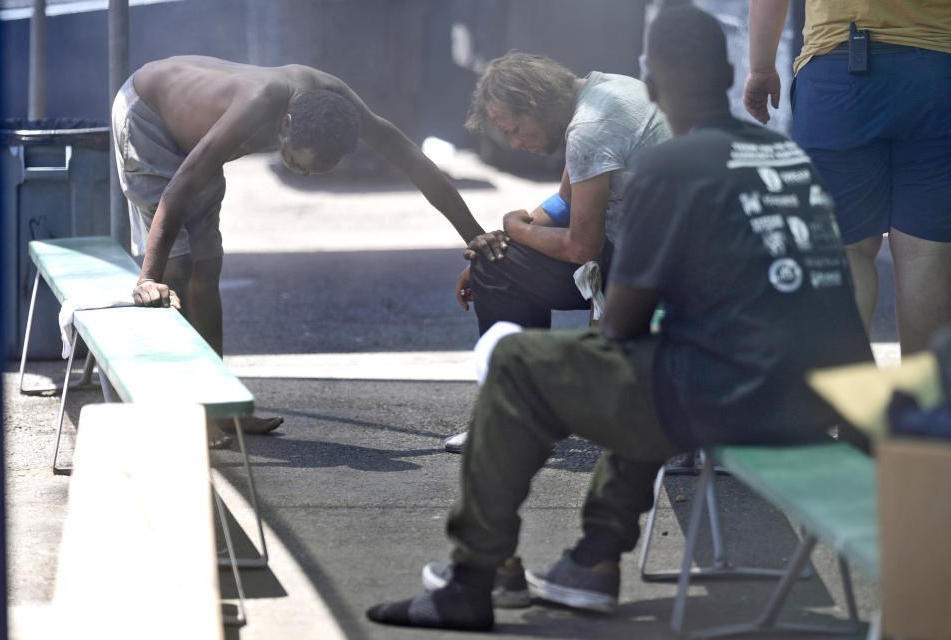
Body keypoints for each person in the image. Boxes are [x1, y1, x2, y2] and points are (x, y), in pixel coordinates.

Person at [366, 6, 873, 631]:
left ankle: (475, 577)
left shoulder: (666, 169)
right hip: (819, 407)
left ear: (655, 86)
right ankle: (592, 562)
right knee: (656, 372)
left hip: (733, 402)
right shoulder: (788, 159)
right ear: (727, 73)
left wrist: (555, 396)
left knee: (522, 362)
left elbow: (621, 325)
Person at [111, 55, 486, 437]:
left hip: (197, 145)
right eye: (295, 162)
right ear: (285, 126)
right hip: (150, 118)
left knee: (207, 269)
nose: (301, 172)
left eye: (310, 172)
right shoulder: (256, 104)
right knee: (176, 271)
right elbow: (180, 188)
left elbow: (412, 160)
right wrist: (147, 278)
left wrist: (474, 234)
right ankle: (181, 412)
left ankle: (218, 407)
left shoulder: (337, 104)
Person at [443, 51, 671, 452]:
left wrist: (513, 228)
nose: (515, 144)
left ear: (535, 103)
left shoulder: (589, 129)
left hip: (660, 271)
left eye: (515, 130)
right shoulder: (609, 87)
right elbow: (567, 199)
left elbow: (582, 247)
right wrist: (504, 241)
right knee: (496, 260)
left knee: (496, 269)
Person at [743, 0, 951, 355]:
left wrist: (762, 67)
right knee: (925, 252)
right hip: (937, 71)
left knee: (845, 252)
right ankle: (926, 405)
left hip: (839, 74)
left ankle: (847, 405)